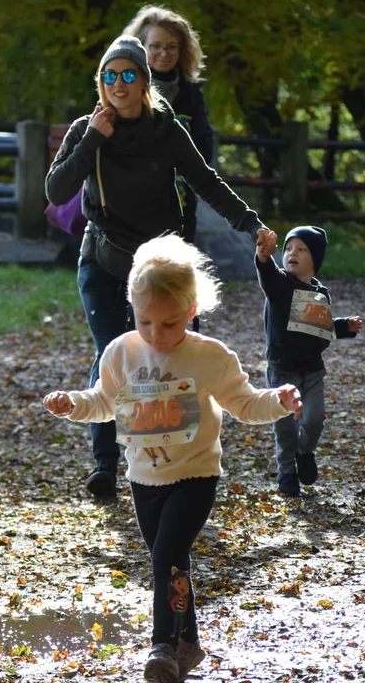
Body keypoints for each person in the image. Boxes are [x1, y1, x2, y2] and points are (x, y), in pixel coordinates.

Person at [42, 235, 301, 683]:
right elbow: (105, 402)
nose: (156, 335)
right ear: (132, 308)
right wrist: (72, 404)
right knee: (173, 561)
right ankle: (189, 643)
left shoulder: (210, 356)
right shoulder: (121, 351)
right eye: (145, 322)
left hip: (196, 475)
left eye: (170, 323)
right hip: (143, 479)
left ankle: (161, 645)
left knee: (166, 556)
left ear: (191, 310)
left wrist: (278, 401)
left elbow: (245, 404)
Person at [45, 35, 272, 500]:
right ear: (100, 83)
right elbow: (55, 189)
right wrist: (92, 139)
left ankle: (180, 459)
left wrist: (251, 225)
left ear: (145, 81)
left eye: (129, 74)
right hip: (105, 259)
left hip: (159, 265)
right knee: (112, 353)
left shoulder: (165, 129)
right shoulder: (87, 128)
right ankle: (105, 464)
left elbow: (206, 181)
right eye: (110, 76)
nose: (119, 84)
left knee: (168, 353)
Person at [255, 226, 362, 498]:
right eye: (289, 248)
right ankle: (286, 473)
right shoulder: (280, 285)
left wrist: (343, 327)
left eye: (302, 250)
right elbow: (266, 275)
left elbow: (319, 329)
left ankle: (305, 453)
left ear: (315, 259)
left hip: (313, 370)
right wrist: (263, 258)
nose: (293, 253)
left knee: (314, 419)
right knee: (285, 426)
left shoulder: (320, 292)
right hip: (282, 370)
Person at [124, 5, 213, 243]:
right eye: (156, 46)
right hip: (127, 197)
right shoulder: (122, 87)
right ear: (141, 46)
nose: (164, 53)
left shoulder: (191, 92)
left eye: (172, 46)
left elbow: (204, 144)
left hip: (179, 198)